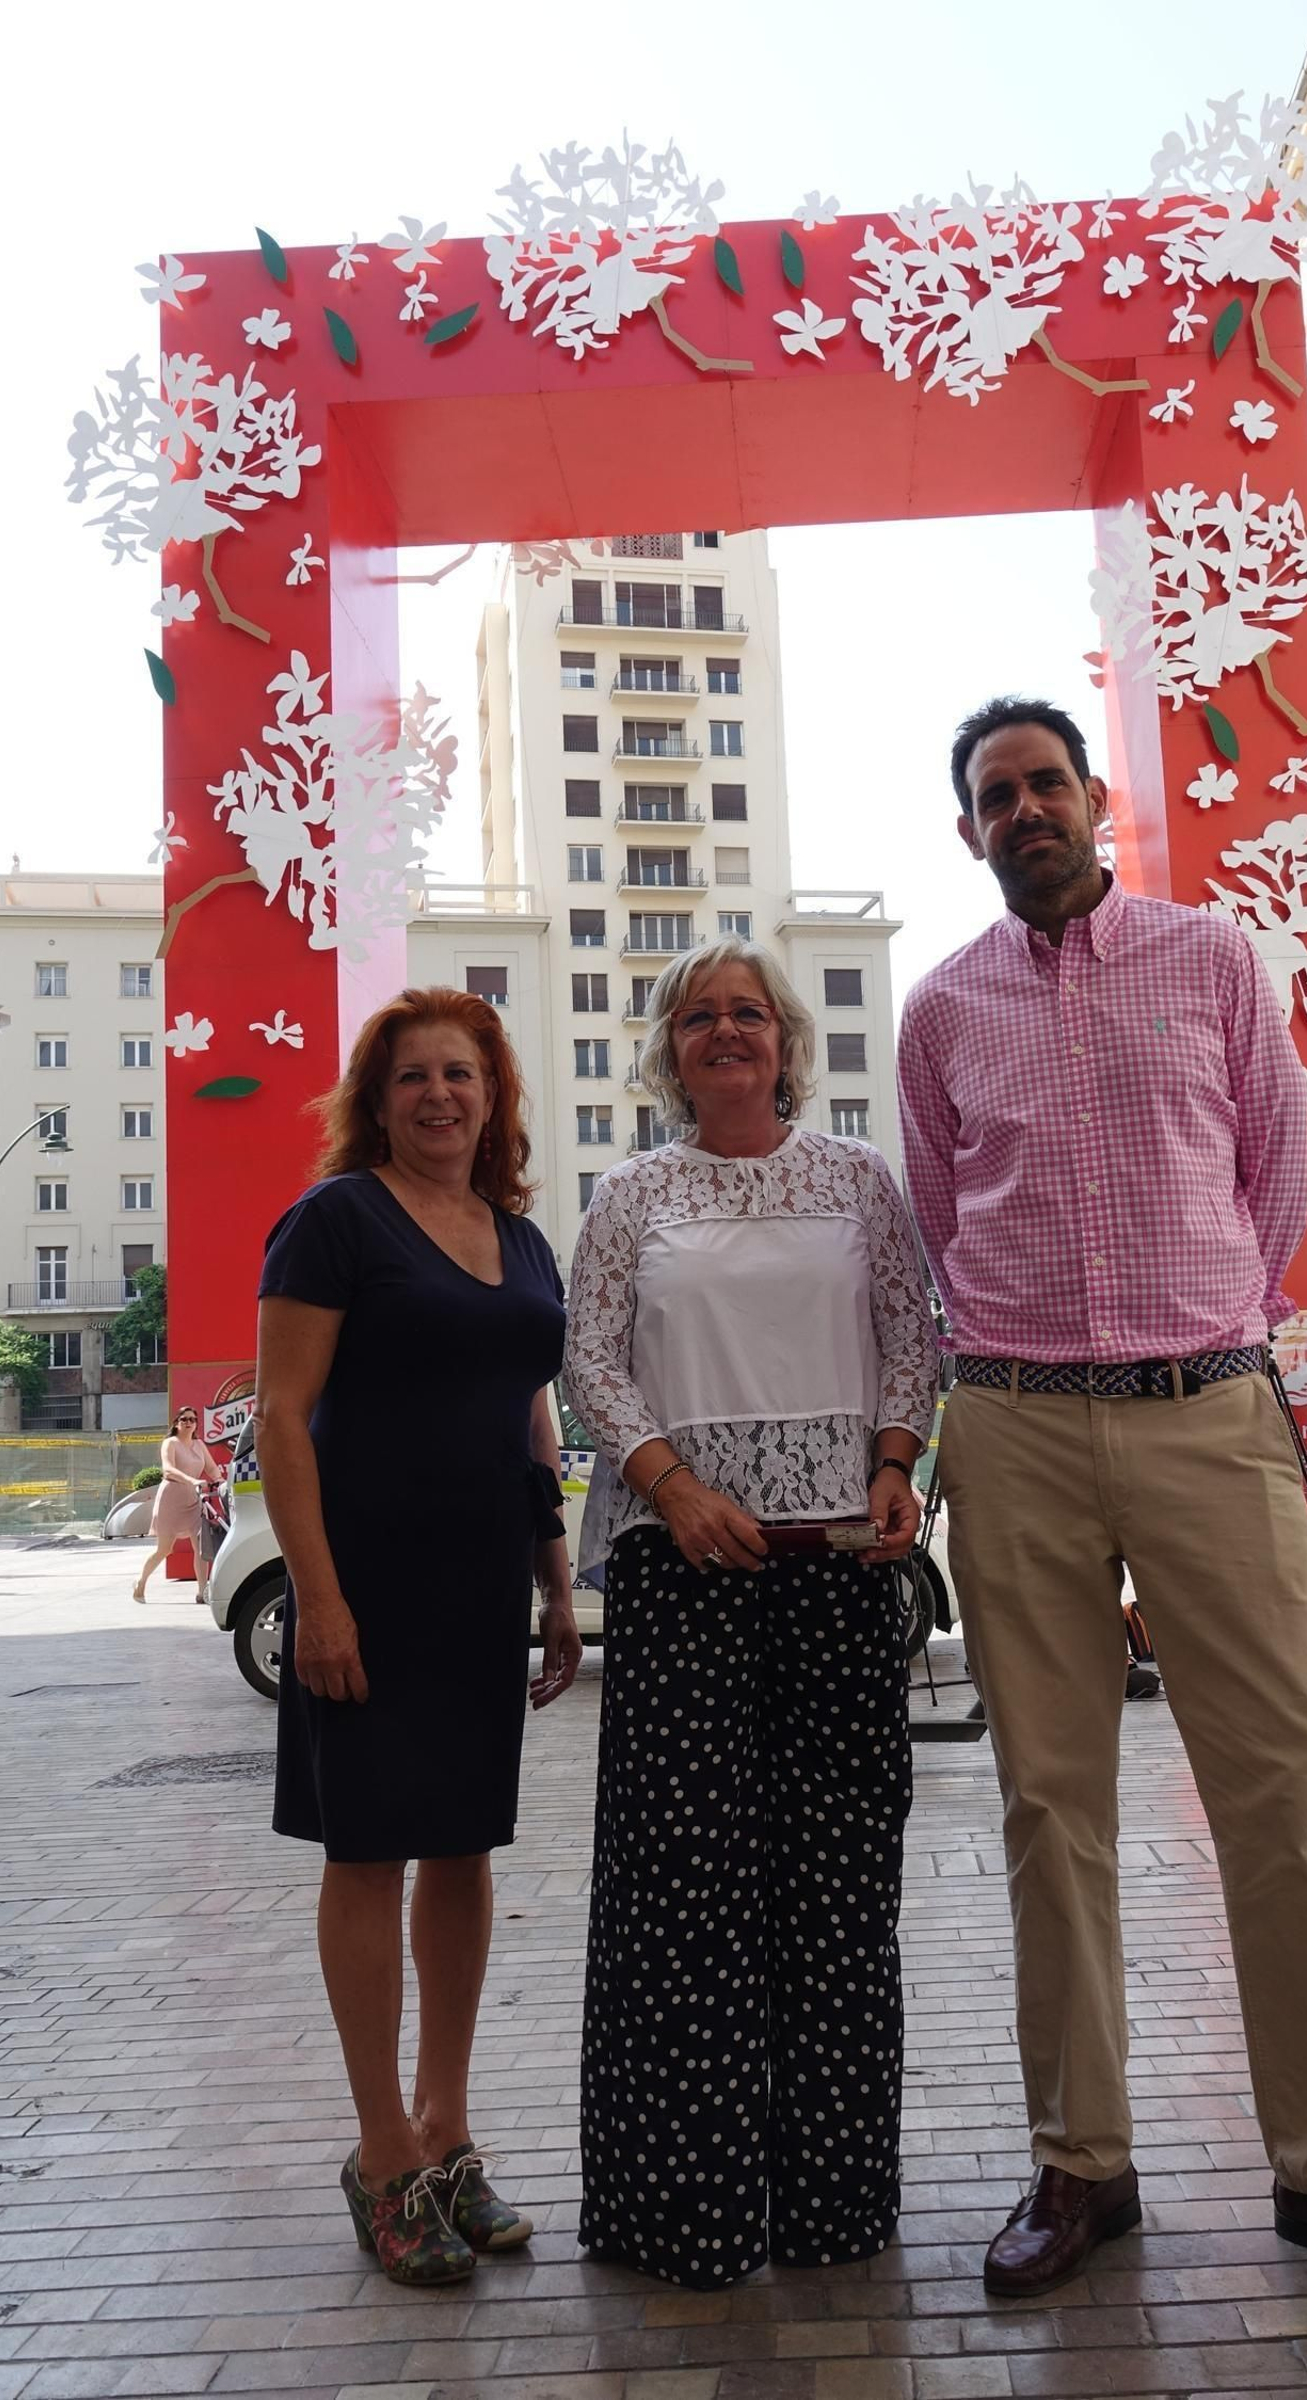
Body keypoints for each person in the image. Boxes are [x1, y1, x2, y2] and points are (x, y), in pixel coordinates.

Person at [897, 696, 1307, 2308]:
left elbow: (1272, 1180)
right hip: (1014, 1428)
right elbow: (943, 1214)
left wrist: (1206, 1324)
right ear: (969, 832)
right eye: (996, 797)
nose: (1025, 811)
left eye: (1046, 784)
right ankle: (1081, 2164)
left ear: (1096, 801)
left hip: (1207, 1412)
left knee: (1282, 1795)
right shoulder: (941, 1009)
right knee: (1050, 1808)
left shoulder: (1216, 959)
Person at [564, 936, 938, 2288]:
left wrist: (896, 1462)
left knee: (837, 1893)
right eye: (699, 1017)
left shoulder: (859, 1180)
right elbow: (590, 1358)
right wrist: (671, 1486)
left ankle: (834, 2207)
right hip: (683, 1573)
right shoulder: (630, 1195)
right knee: (681, 1902)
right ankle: (687, 2214)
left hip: (837, 1571)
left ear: (786, 1040)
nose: (727, 1032)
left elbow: (910, 1335)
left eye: (750, 1013)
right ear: (671, 1052)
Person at [255, 987, 582, 2288]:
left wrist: (554, 1578)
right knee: (368, 1853)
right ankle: (382, 2150)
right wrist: (318, 1598)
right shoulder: (336, 1222)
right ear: (376, 1103)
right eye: (413, 1077)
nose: (440, 1095)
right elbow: (283, 1417)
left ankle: (448, 2129)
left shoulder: (523, 1239)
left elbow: (529, 1415)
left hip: (479, 1585)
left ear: (493, 1098)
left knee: (462, 1849)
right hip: (366, 1584)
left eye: (462, 1074)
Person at [132, 1408, 225, 1603]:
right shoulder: (170, 1443)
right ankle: (141, 1582)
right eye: (184, 1419)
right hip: (171, 1500)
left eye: (192, 1419)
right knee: (164, 1549)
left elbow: (211, 1467)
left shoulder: (199, 1444)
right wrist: (192, 1480)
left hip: (193, 1500)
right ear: (176, 1423)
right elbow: (168, 1470)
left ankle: (202, 1592)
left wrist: (219, 1480)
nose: (188, 1422)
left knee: (201, 1546)